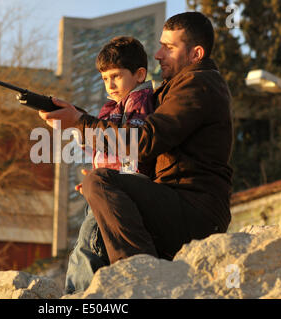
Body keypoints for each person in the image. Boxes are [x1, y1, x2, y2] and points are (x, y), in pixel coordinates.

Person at [39, 12, 233, 294]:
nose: (157, 54)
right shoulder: (174, 88)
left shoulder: (199, 85)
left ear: (196, 54)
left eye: (169, 47)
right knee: (100, 188)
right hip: (176, 203)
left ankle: (140, 277)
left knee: (100, 181)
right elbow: (132, 136)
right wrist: (76, 116)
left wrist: (79, 123)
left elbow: (143, 141)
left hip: (195, 212)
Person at [67, 36, 157, 294]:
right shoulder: (113, 107)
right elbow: (100, 146)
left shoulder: (139, 101)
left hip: (120, 188)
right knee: (88, 244)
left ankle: (76, 295)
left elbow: (130, 142)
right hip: (105, 185)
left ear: (139, 74)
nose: (110, 84)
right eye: (105, 78)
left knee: (88, 245)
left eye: (116, 76)